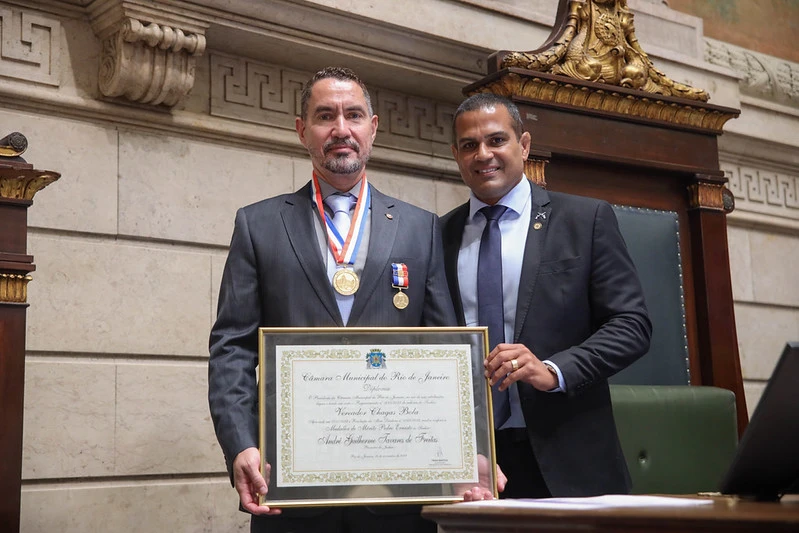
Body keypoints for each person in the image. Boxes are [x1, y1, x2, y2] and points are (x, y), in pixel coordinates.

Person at [208, 66, 488, 533]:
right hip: (291, 490)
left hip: (400, 490)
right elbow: (232, 348)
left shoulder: (422, 229)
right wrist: (240, 444)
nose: (341, 129)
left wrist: (469, 450)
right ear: (302, 131)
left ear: (372, 128)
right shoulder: (258, 225)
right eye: (325, 116)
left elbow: (448, 350)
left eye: (353, 115)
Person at [441, 92, 652, 498]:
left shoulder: (584, 220)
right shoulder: (437, 236)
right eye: (469, 145)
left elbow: (632, 325)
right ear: (456, 154)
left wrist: (555, 370)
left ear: (524, 145)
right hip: (475, 465)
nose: (483, 154)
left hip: (571, 455)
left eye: (497, 140)